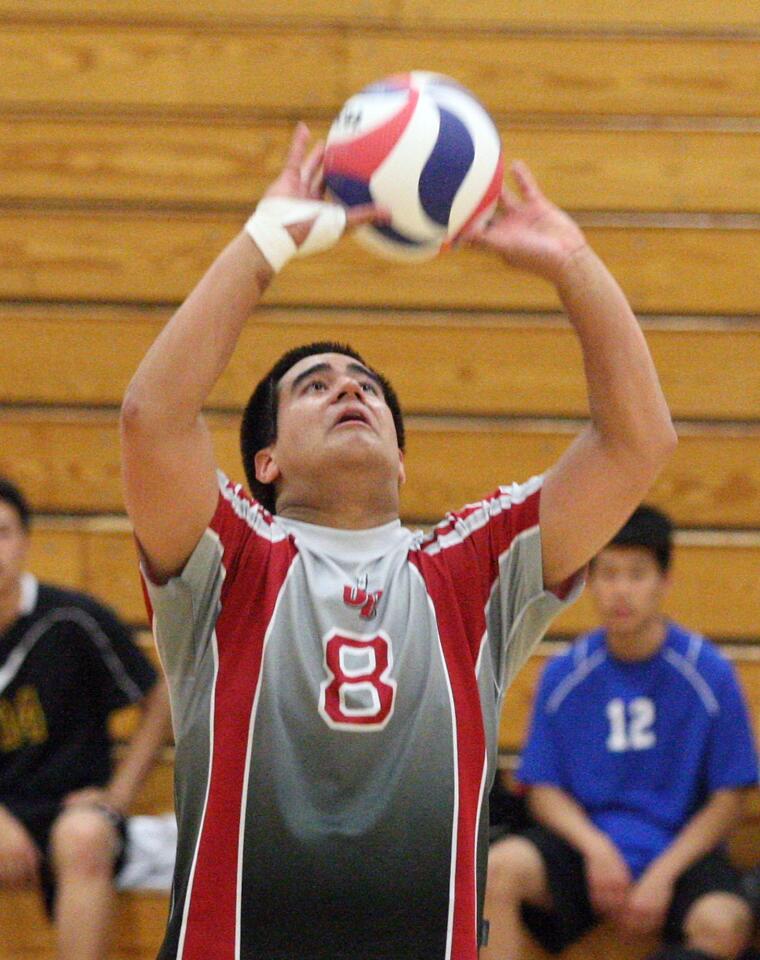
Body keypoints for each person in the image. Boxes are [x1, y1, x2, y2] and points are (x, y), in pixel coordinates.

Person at [119, 122, 676, 960]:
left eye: (367, 388)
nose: (348, 388)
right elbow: (151, 421)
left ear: (402, 459)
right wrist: (266, 242)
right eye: (316, 387)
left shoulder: (472, 570)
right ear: (264, 460)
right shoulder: (231, 561)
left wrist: (574, 267)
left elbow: (639, 444)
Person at [482, 505, 759, 960]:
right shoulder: (564, 674)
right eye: (607, 574)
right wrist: (596, 851)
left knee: (725, 923)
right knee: (496, 871)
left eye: (636, 574)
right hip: (584, 849)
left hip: (678, 854)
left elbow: (730, 799)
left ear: (664, 582)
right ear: (589, 581)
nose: (620, 591)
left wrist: (663, 873)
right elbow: (543, 789)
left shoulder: (708, 673)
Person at [0, 477, 172, 960]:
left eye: (3, 532)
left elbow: (159, 697)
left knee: (85, 837)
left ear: (25, 541)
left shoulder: (72, 619)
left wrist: (119, 795)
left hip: (72, 807)